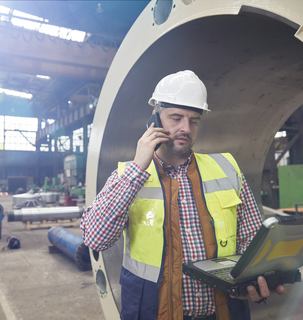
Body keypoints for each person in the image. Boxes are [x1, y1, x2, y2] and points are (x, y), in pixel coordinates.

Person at [81, 70, 285, 320]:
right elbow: (96, 238)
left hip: (223, 312)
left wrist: (255, 282)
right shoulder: (127, 175)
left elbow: (252, 240)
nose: (185, 128)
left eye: (194, 120)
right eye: (176, 118)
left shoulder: (226, 169)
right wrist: (137, 168)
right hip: (155, 312)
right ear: (154, 119)